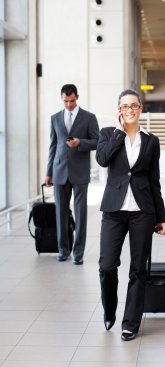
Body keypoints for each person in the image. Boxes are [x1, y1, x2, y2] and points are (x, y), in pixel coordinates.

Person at [96, 89, 165, 341]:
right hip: (114, 211)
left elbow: (154, 181)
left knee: (138, 269)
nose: (129, 110)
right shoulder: (107, 134)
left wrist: (161, 216)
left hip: (142, 213)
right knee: (106, 266)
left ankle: (130, 323)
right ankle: (109, 309)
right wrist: (118, 133)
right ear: (119, 110)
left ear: (140, 108)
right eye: (124, 106)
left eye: (133, 105)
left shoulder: (151, 140)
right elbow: (102, 160)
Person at [45, 84, 99, 264]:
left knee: (80, 213)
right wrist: (48, 173)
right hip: (59, 171)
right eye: (66, 101)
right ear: (62, 99)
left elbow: (98, 142)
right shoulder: (54, 118)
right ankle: (63, 250)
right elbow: (53, 146)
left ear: (78, 97)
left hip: (80, 172)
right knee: (60, 213)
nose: (69, 104)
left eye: (72, 101)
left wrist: (80, 143)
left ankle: (79, 253)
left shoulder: (89, 118)